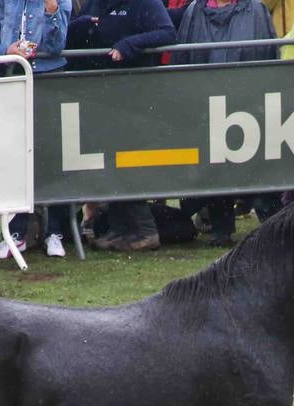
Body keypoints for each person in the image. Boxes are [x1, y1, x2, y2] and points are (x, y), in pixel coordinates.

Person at [66, 0, 176, 251]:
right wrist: (79, 27)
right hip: (99, 95)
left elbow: (168, 32)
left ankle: (145, 230)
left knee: (125, 161)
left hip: (135, 95)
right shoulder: (96, 3)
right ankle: (119, 228)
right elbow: (74, 38)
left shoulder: (145, 3)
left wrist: (130, 44)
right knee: (107, 160)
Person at [172, 0, 278, 247]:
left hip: (250, 105)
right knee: (215, 164)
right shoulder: (194, 11)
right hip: (206, 107)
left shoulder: (255, 10)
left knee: (262, 166)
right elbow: (182, 60)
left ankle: (273, 225)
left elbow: (269, 58)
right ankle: (220, 227)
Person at [0, 0, 73, 259]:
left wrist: (51, 11)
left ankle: (54, 232)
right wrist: (5, 50)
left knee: (52, 156)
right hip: (12, 77)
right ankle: (15, 232)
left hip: (49, 79)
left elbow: (57, 45)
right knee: (14, 155)